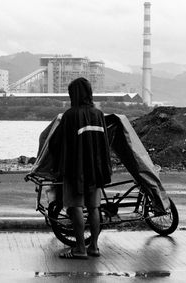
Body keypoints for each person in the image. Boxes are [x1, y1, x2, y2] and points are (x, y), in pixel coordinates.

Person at [53, 77, 112, 259]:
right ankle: (93, 246)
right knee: (94, 207)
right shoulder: (99, 114)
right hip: (96, 170)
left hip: (75, 169)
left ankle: (80, 248)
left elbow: (56, 143)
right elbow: (105, 144)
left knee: (75, 206)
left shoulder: (70, 115)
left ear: (74, 94)